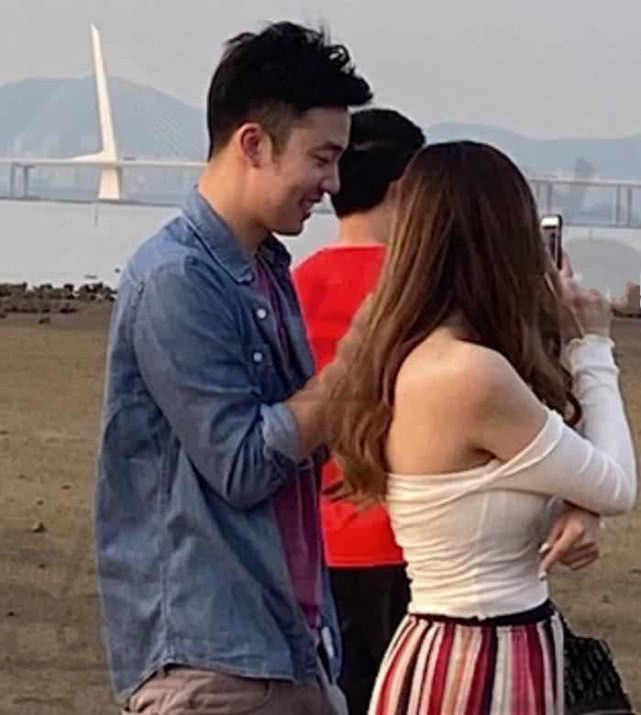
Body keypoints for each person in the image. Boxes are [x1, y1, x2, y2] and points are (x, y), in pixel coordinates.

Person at [95, 21, 371, 715]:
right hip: (215, 667)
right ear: (253, 143)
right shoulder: (177, 279)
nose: (333, 183)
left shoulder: (266, 268)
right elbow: (243, 464)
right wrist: (353, 366)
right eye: (322, 157)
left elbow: (301, 448)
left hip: (289, 649)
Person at [327, 141, 637, 714]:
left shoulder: (428, 354)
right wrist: (593, 348)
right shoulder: (468, 374)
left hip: (474, 645)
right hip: (475, 657)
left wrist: (580, 503)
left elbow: (557, 476)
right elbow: (615, 483)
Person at [294, 108, 425, 715]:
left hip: (319, 538)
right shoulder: (419, 290)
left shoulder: (296, 285)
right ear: (405, 189)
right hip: (413, 534)